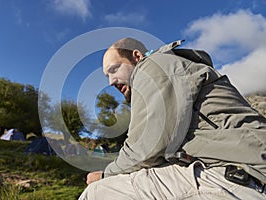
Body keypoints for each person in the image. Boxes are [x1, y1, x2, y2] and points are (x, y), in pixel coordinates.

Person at [79, 38, 266, 199]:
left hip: (243, 176)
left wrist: (105, 175)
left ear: (136, 56)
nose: (111, 81)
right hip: (237, 171)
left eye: (114, 69)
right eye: (107, 76)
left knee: (97, 192)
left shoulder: (153, 67)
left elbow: (147, 146)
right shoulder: (172, 68)